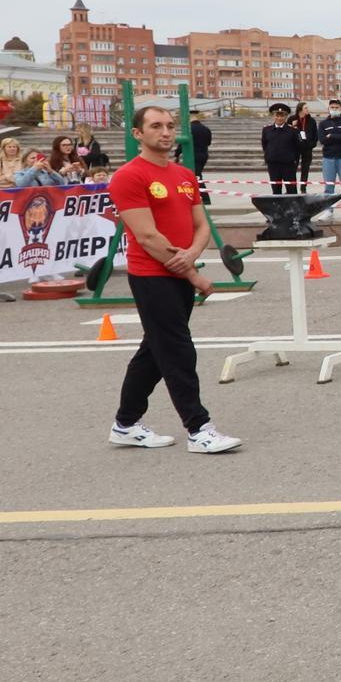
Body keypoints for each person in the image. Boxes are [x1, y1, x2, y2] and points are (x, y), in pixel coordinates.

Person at [105, 105, 241, 455]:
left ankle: (125, 423)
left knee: (154, 351)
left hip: (179, 271)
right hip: (153, 276)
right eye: (155, 126)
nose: (165, 132)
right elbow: (147, 237)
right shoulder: (129, 177)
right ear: (137, 134)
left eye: (169, 126)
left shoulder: (183, 175)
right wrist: (195, 274)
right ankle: (199, 429)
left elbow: (200, 226)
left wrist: (193, 254)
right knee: (178, 351)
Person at [317, 99, 341, 212]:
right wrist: (339, 135)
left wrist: (331, 135)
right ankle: (328, 210)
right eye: (332, 107)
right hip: (328, 158)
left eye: (337, 107)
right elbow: (322, 140)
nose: (334, 109)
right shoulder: (323, 124)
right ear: (328, 109)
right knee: (329, 186)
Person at [261, 102, 301, 194]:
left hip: (288, 165)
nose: (279, 118)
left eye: (282, 116)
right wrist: (268, 157)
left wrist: (293, 160)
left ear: (286, 117)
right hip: (273, 165)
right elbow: (265, 145)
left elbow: (298, 147)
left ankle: (292, 208)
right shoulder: (266, 130)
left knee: (291, 190)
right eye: (277, 115)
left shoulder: (292, 130)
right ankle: (277, 208)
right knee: (276, 190)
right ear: (273, 116)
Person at [292, 103, 319, 190]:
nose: (308, 109)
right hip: (295, 148)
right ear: (300, 109)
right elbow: (287, 133)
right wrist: (292, 126)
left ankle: (303, 187)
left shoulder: (311, 121)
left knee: (305, 168)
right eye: (306, 108)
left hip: (307, 148)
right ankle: (292, 187)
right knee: (293, 168)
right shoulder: (292, 119)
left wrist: (312, 144)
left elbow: (315, 135)